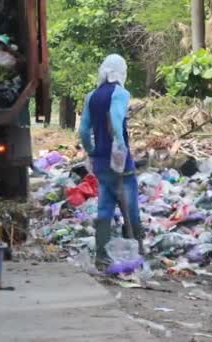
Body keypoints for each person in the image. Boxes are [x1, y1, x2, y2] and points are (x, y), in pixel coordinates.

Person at [78, 54, 143, 269]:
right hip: (119, 161)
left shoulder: (92, 96)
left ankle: (101, 256)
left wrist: (92, 151)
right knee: (131, 205)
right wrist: (120, 149)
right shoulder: (120, 93)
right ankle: (138, 251)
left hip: (100, 161)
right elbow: (116, 121)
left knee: (105, 205)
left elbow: (83, 130)